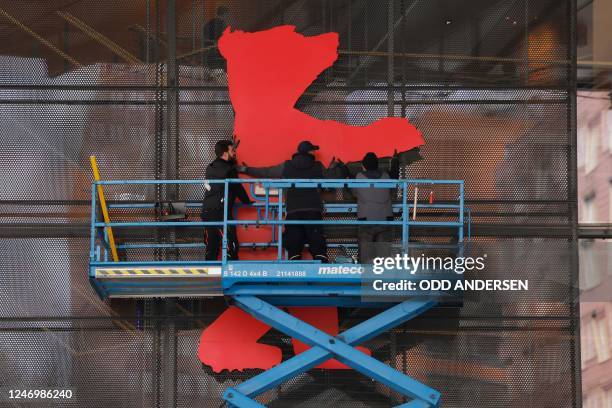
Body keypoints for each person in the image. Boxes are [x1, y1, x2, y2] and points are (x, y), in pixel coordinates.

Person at [239, 141, 329, 262]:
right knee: (317, 242)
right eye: (313, 150)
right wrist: (341, 169)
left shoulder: (287, 166)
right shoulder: (318, 166)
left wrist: (246, 169)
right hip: (313, 209)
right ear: (310, 152)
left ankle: (294, 271)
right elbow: (331, 180)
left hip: (293, 210)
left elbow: (267, 172)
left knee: (294, 242)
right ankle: (322, 266)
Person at [202, 139, 251, 260]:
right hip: (221, 211)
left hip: (207, 211)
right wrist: (247, 201)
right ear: (225, 153)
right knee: (231, 244)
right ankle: (232, 272)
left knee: (211, 245)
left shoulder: (210, 167)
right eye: (232, 150)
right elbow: (238, 188)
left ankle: (209, 273)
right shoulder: (230, 170)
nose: (234, 153)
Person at [352, 151, 400, 263]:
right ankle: (382, 278)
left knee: (365, 255)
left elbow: (353, 193)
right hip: (385, 219)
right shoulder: (386, 176)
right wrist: (395, 160)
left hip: (365, 219)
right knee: (384, 255)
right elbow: (393, 188)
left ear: (363, 166)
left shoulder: (358, 177)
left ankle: (365, 277)